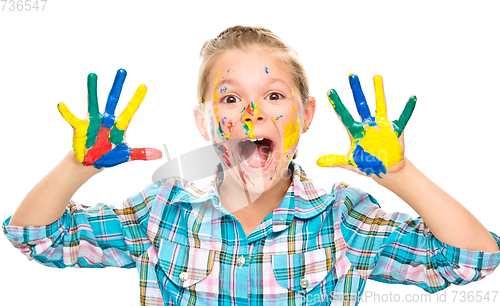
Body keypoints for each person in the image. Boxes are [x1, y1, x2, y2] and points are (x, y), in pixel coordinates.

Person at [3, 25, 499, 306]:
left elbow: (473, 259)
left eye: (273, 95)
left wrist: (398, 174)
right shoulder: (161, 213)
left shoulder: (343, 220)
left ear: (304, 116)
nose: (252, 113)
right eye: (231, 97)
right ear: (203, 122)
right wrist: (78, 165)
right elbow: (36, 236)